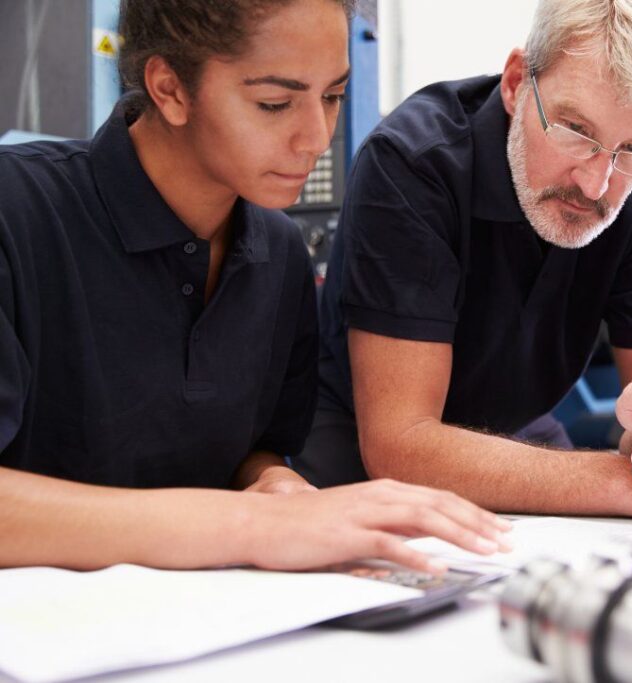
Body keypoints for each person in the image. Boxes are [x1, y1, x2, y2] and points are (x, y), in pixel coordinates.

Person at [0, 0, 510, 572]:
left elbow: (253, 450)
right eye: (274, 103)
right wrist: (251, 526)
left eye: (333, 96)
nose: (316, 137)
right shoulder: (16, 213)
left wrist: (275, 484)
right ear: (169, 88)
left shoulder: (279, 252)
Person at [302, 0, 632, 522]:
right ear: (515, 83)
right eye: (574, 130)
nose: (596, 185)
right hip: (361, 447)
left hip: (519, 432)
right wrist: (628, 484)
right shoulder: (413, 166)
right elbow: (402, 444)